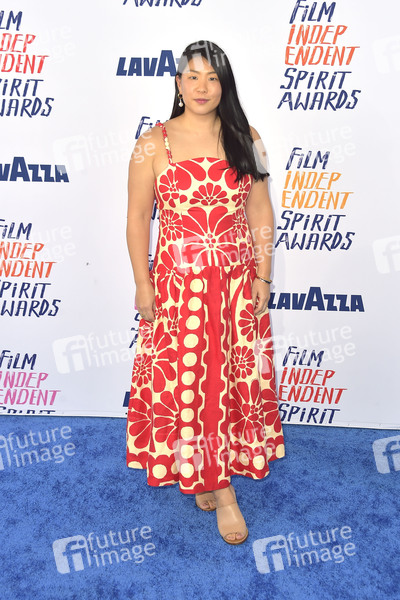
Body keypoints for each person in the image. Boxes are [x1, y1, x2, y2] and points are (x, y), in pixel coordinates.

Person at [125, 40, 285, 545]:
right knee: (190, 384)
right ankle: (215, 482)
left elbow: (260, 211)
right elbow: (137, 219)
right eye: (192, 77)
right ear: (178, 84)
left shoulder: (247, 136)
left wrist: (263, 276)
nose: (202, 87)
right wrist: (143, 284)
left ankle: (215, 477)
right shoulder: (152, 143)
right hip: (180, 290)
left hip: (236, 286)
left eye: (212, 78)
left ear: (224, 85)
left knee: (228, 385)